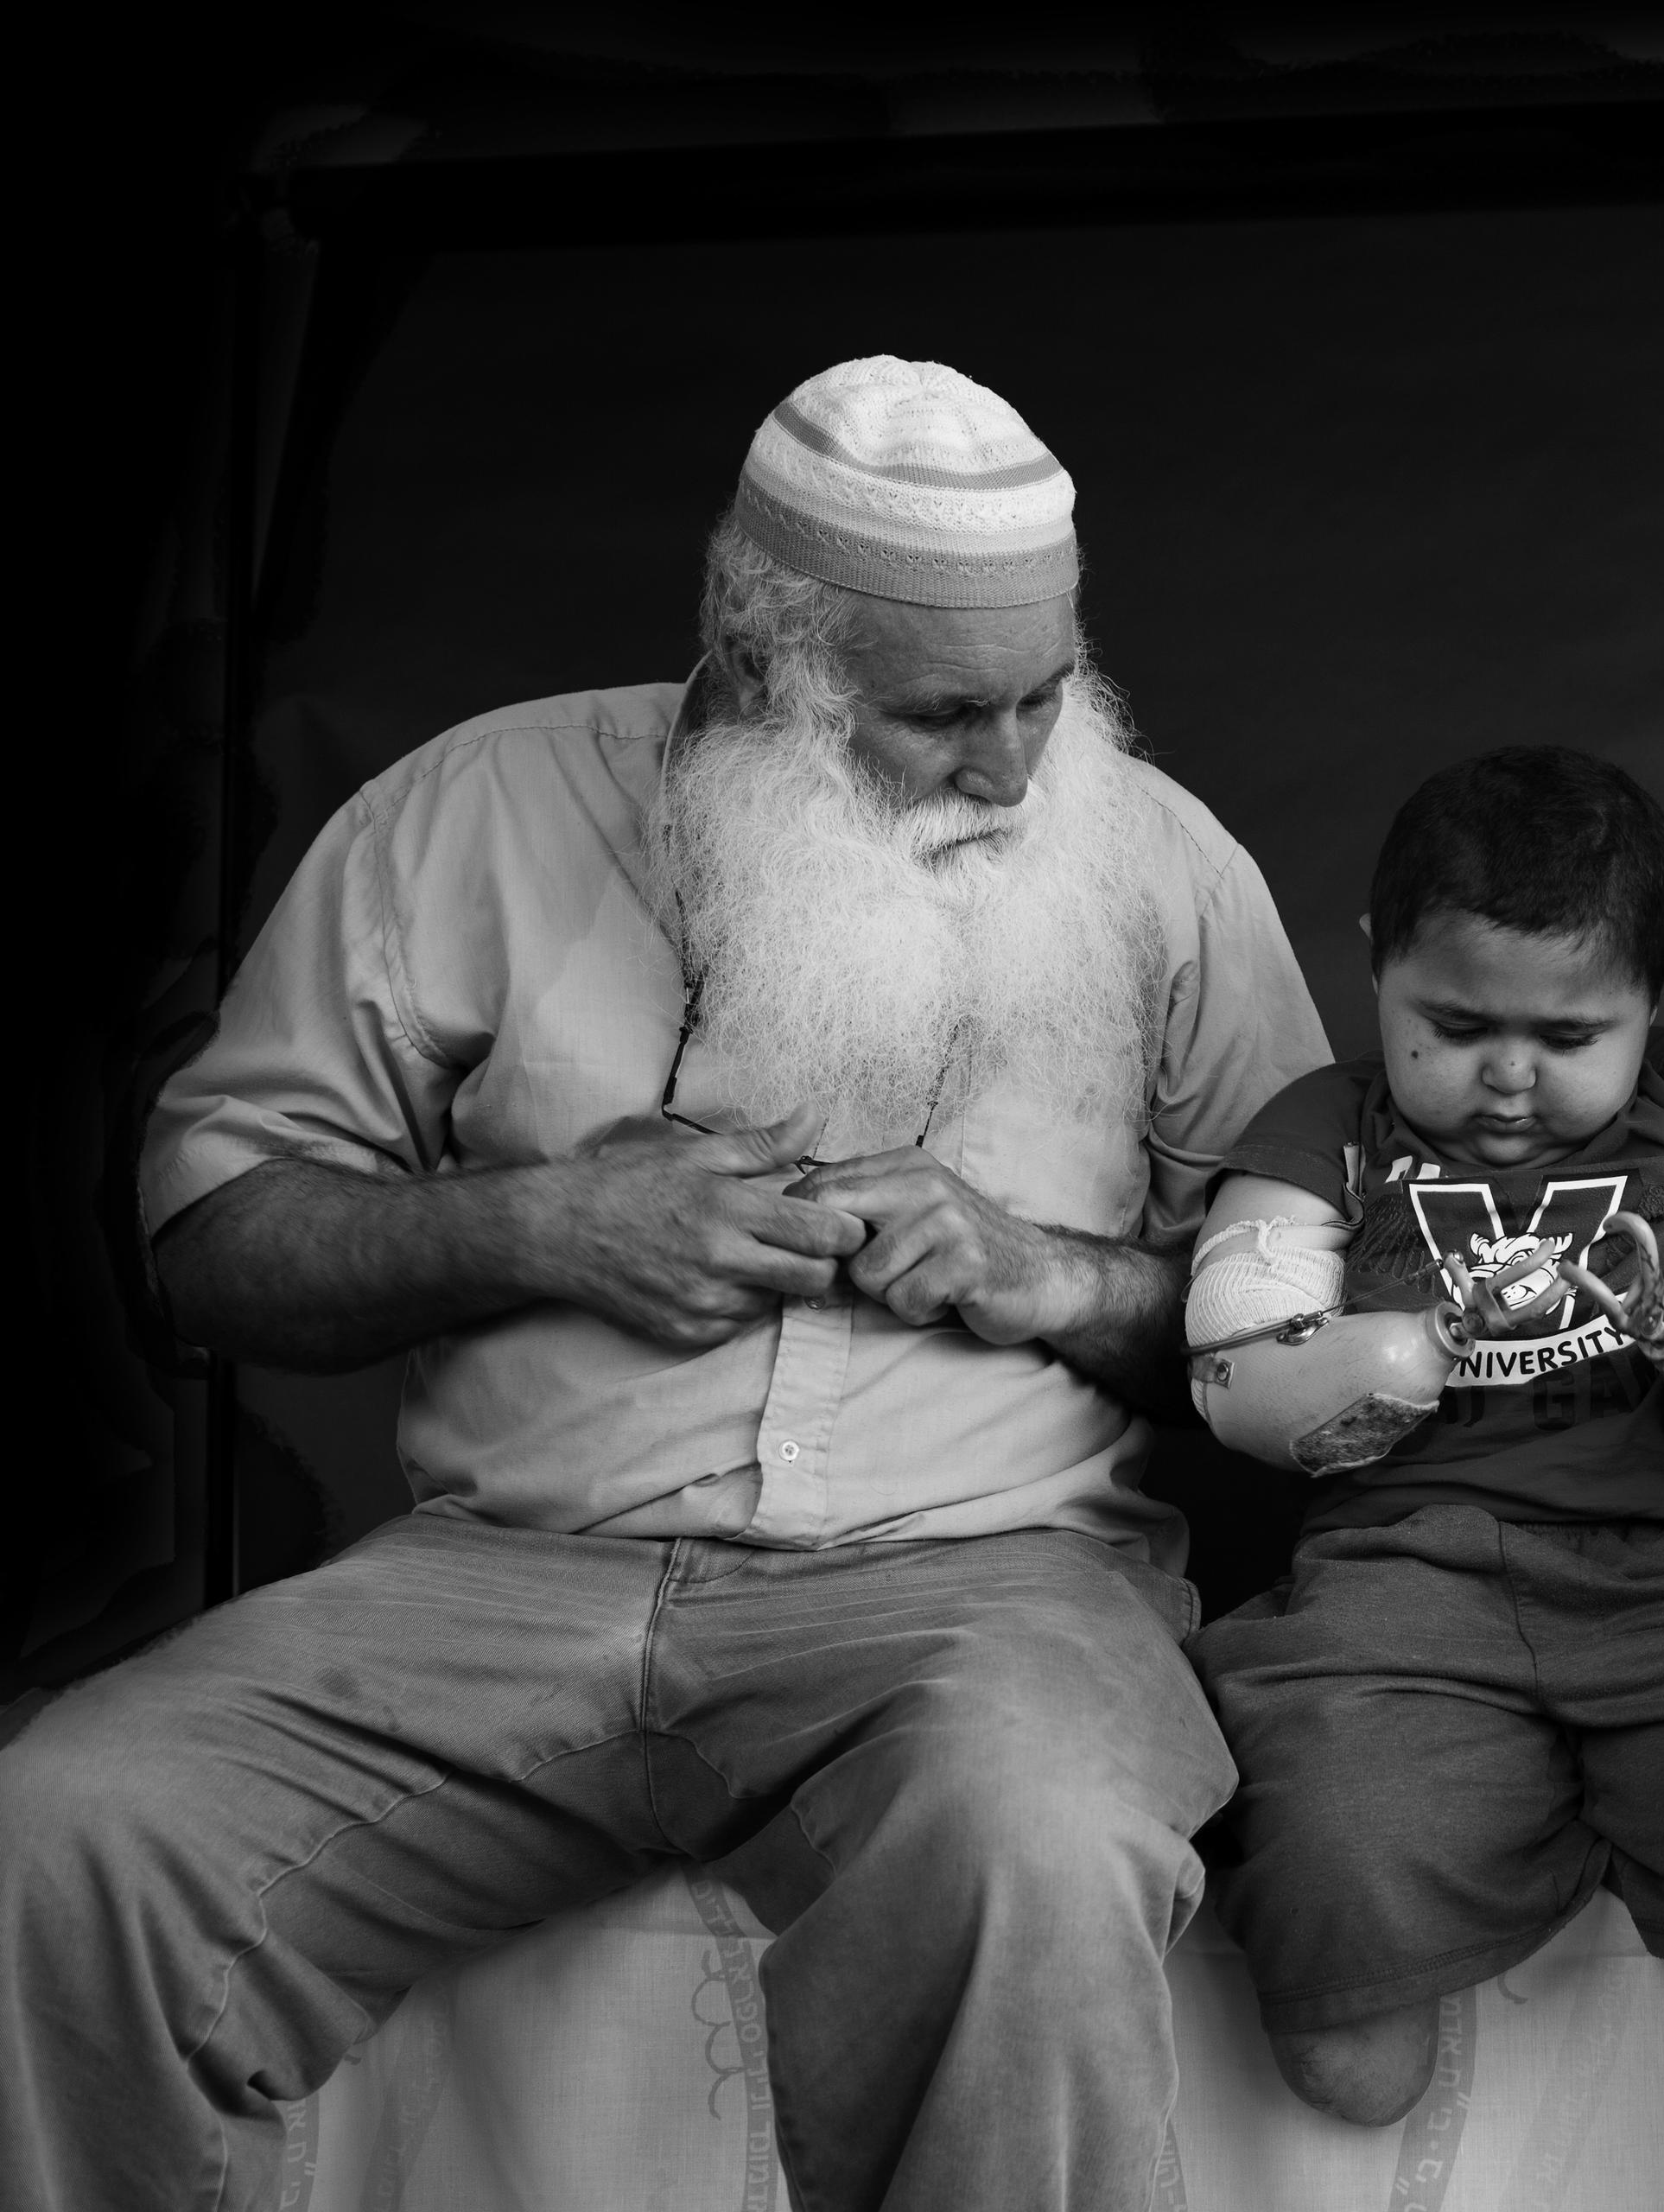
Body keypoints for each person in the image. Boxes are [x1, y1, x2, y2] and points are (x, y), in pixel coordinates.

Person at [0, 358, 1328, 2212]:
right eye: (944, 711)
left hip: (978, 1593)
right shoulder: (468, 810)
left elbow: (1319, 1336)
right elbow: (211, 1241)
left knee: (1029, 1833)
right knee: (66, 1822)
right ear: (762, 652)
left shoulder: (1160, 864)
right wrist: (534, 1227)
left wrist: (1062, 1275)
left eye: (1045, 693)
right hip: (495, 1581)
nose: (1015, 766)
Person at [1179, 747, 1664, 2123]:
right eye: (1456, 1023)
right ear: (1376, 965)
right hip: (1397, 1591)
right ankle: (1492, 1824)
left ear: (1656, 994)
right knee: (1345, 2041)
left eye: (1568, 1040)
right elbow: (1231, 1366)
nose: (1507, 1078)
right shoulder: (1327, 1125)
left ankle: (1632, 1815)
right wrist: (1410, 1343)